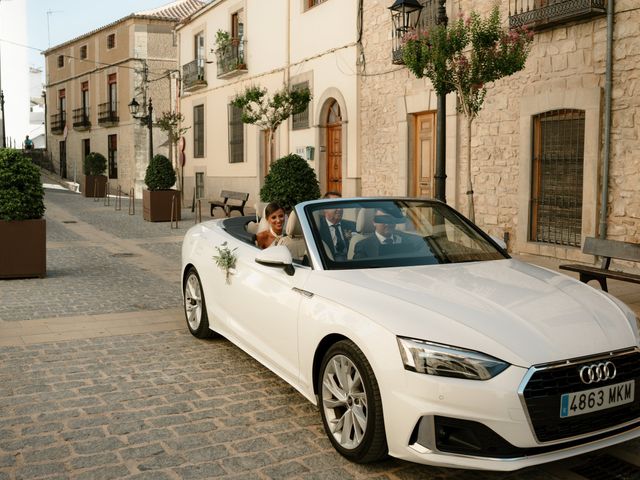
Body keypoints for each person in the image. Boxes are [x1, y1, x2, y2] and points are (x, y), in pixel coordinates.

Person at [353, 208, 423, 259]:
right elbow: (359, 274)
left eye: (391, 219)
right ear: (374, 222)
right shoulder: (363, 246)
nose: (388, 224)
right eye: (383, 219)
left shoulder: (408, 240)